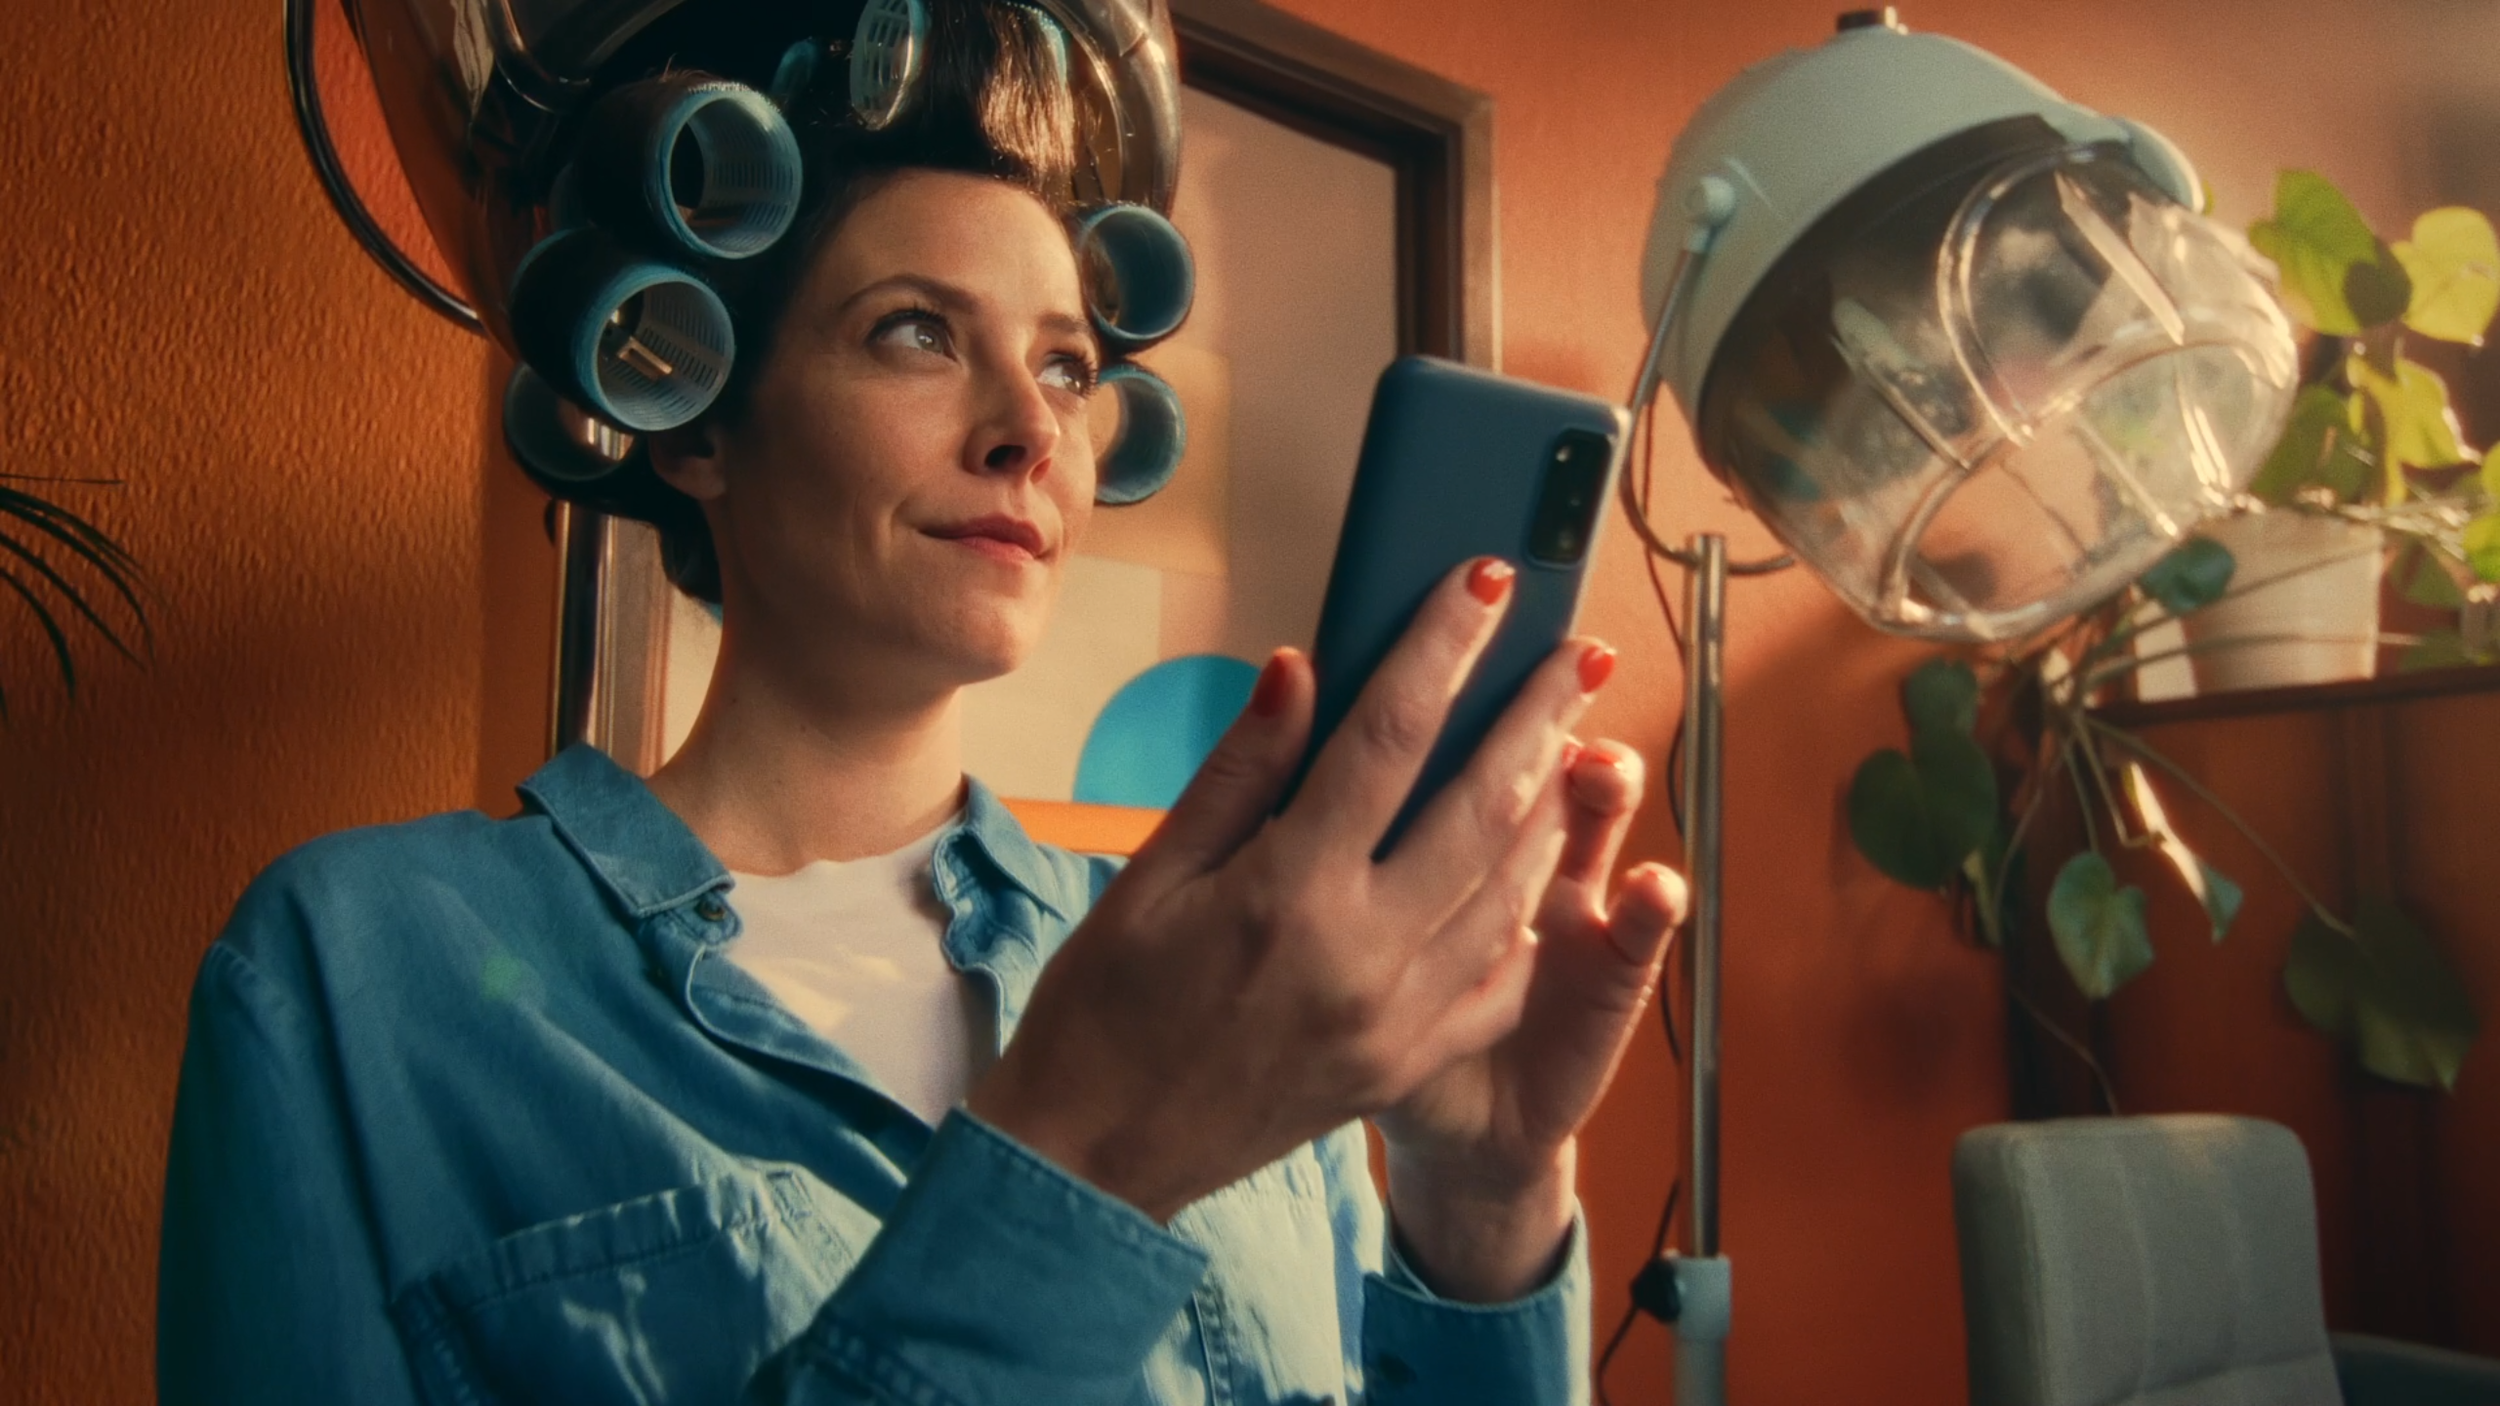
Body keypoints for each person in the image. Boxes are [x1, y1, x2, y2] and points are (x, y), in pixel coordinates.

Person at [158, 4, 1685, 1401]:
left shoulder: (1233, 966)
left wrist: (1482, 1212)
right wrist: (1082, 1157)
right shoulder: (360, 972)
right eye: (916, 331)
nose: (1031, 427)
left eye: (1071, 366)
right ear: (694, 418)